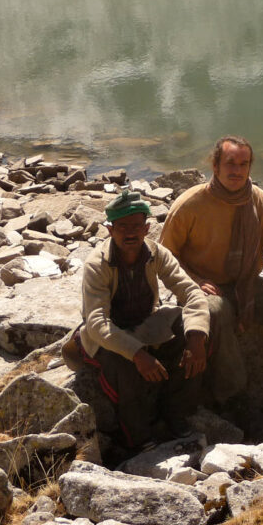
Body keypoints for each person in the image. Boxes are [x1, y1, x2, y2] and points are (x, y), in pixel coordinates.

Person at [160, 135, 263, 430]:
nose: (237, 171)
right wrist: (194, 281)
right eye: (230, 163)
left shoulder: (259, 202)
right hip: (203, 290)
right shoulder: (190, 204)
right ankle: (234, 399)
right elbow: (164, 257)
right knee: (217, 311)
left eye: (243, 164)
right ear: (215, 165)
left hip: (247, 287)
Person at [71, 189, 210, 455]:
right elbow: (97, 323)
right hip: (108, 334)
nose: (130, 233)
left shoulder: (157, 254)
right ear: (110, 230)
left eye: (136, 226)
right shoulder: (96, 265)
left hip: (144, 324)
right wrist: (137, 354)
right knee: (124, 366)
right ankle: (136, 436)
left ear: (147, 228)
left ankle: (175, 413)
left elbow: (191, 293)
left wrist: (196, 337)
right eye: (123, 227)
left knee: (191, 332)